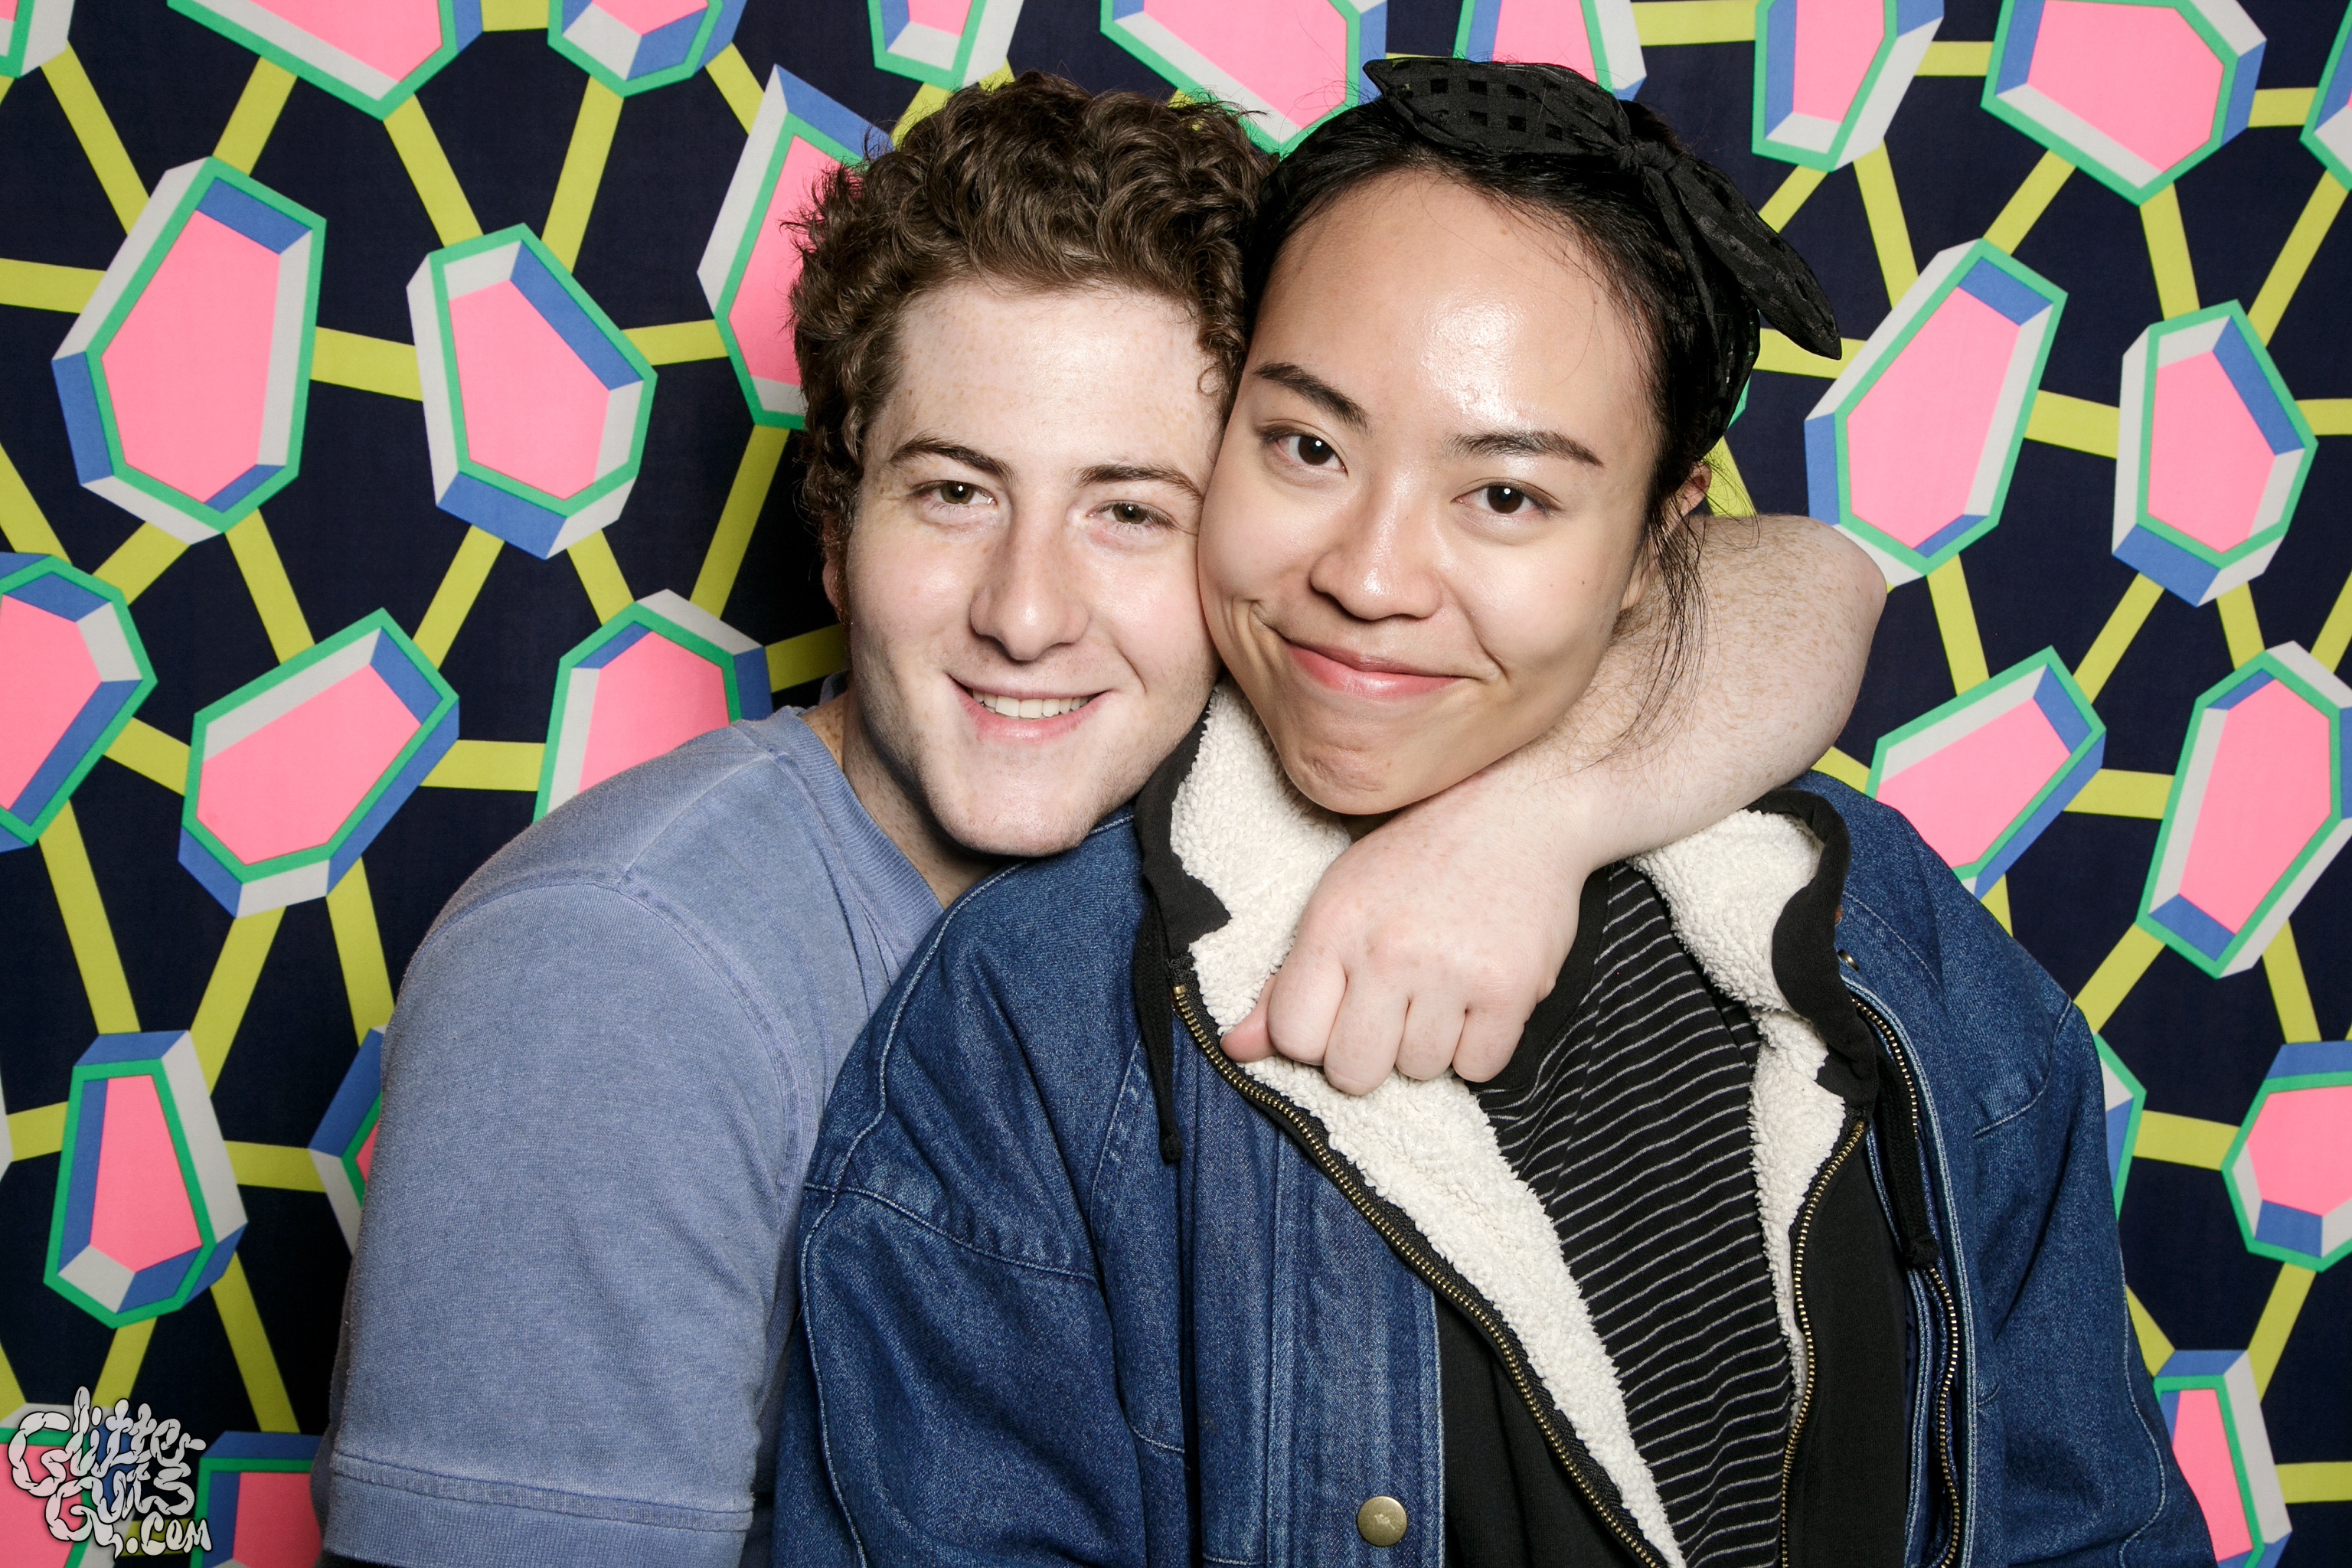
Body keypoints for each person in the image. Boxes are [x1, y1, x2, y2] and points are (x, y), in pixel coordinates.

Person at [316, 75, 1880, 1568]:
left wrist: (1527, 825)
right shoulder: (615, 975)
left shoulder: (1273, 806)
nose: (1027, 611)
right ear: (836, 526)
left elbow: (1798, 581)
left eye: (1131, 510)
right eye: (953, 492)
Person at [776, 60, 2207, 1568]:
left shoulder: (1891, 945)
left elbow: (2090, 1527)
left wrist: (1529, 827)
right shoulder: (1031, 1023)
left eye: (1507, 496)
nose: (1369, 577)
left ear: (1659, 540)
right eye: (1308, 447)